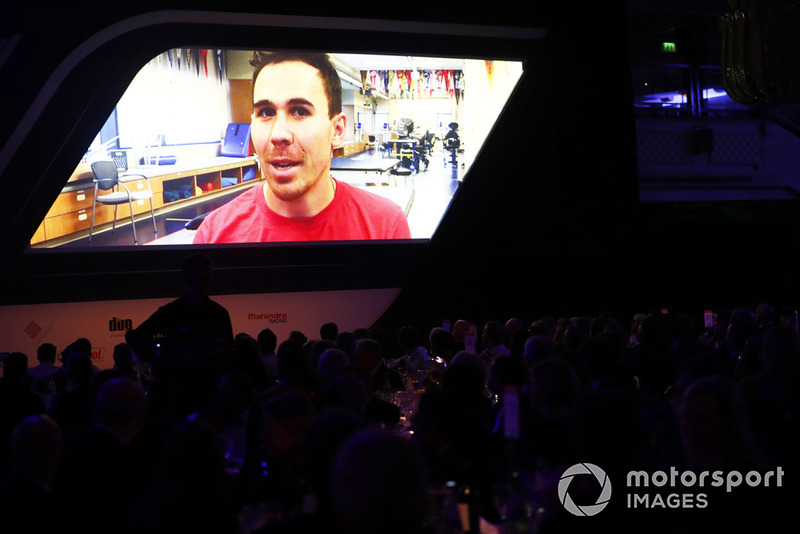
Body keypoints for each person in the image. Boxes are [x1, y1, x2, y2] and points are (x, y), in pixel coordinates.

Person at [193, 51, 411, 243]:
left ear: (337, 130)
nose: (278, 135)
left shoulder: (385, 227)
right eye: (266, 113)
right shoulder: (214, 236)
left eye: (300, 111)